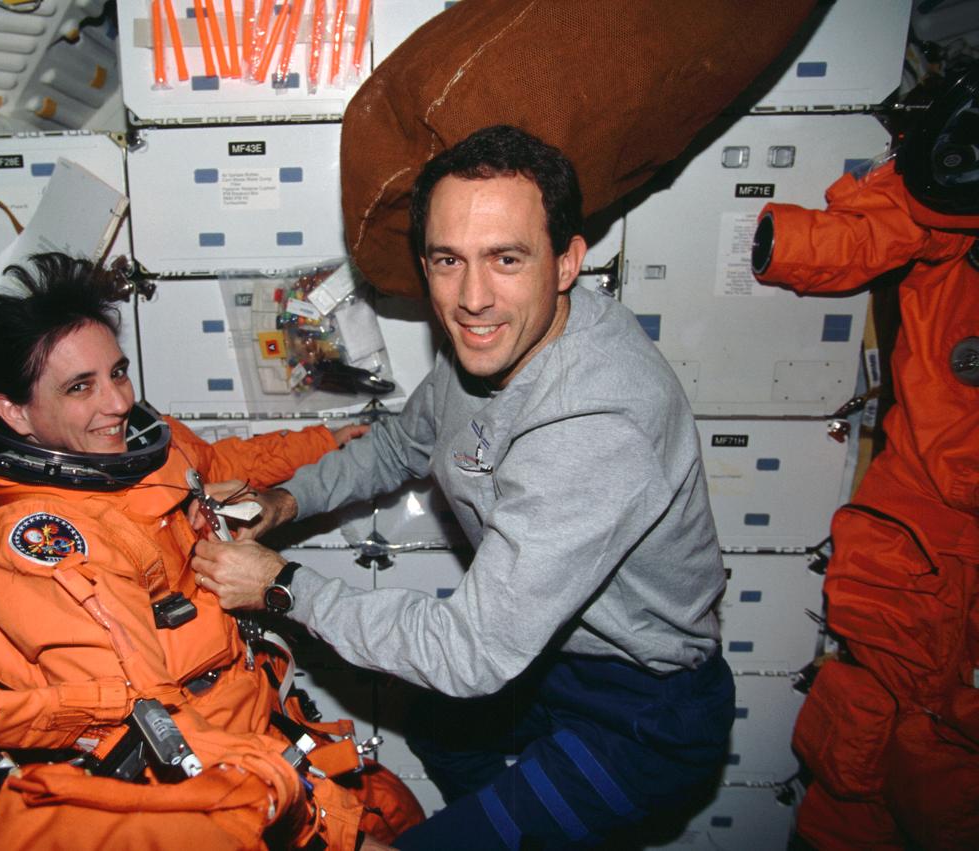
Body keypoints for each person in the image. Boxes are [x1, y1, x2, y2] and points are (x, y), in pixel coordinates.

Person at [191, 125, 735, 849]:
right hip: (550, 663)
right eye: (449, 261)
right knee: (442, 727)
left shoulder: (599, 421)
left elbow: (468, 653)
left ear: (568, 260)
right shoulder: (497, 341)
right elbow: (397, 444)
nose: (473, 298)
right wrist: (286, 502)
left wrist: (282, 585)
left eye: (506, 258)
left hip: (643, 709)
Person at [0, 252, 423, 847]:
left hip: (250, 712)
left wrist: (324, 442)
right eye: (81, 387)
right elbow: (147, 724)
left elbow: (216, 464)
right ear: (14, 412)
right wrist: (318, 833)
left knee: (395, 809)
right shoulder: (37, 545)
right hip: (197, 779)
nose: (118, 402)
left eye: (118, 372)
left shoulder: (134, 447)